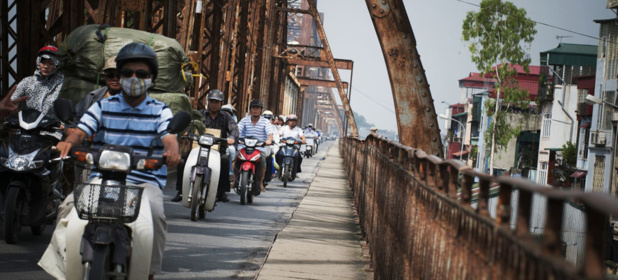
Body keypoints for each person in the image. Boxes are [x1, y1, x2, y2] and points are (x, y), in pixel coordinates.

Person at [54, 42, 180, 280]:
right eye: (127, 73)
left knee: (155, 215)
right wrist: (69, 141)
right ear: (119, 77)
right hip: (102, 178)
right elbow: (81, 131)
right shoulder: (102, 106)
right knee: (67, 208)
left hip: (143, 182)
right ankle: (65, 267)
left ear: (151, 77)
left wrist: (172, 151)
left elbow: (169, 137)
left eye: (141, 74)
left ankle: (149, 272)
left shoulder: (160, 110)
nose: (134, 78)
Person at [171, 89, 238, 203]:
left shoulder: (226, 117)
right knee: (182, 160)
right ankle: (181, 190)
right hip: (198, 148)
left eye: (216, 102)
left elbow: (234, 129)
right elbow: (190, 124)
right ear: (208, 102)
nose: (214, 104)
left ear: (221, 103)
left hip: (217, 150)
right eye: (211, 101)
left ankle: (221, 192)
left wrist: (232, 137)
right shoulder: (200, 114)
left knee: (225, 162)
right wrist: (186, 131)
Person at [11, 45, 64, 120]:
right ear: (38, 62)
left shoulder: (62, 85)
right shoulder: (27, 82)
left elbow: (69, 110)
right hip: (26, 128)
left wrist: (64, 124)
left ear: (56, 65)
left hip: (51, 129)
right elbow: (12, 102)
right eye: (43, 62)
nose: (46, 66)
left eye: (50, 63)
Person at [234, 99, 273, 192]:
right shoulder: (244, 120)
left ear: (261, 110)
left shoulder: (265, 122)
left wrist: (268, 140)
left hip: (259, 148)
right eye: (253, 108)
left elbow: (270, 134)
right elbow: (237, 130)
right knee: (234, 158)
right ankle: (234, 179)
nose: (255, 110)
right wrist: (235, 137)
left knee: (263, 160)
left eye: (257, 108)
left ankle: (260, 182)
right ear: (250, 109)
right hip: (244, 146)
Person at [276, 114, 306, 179]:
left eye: (294, 121)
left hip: (294, 147)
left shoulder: (298, 130)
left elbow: (303, 137)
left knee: (299, 157)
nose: (292, 122)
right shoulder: (283, 128)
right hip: (284, 146)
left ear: (296, 122)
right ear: (288, 121)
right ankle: (277, 169)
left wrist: (303, 140)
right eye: (291, 120)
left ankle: (296, 171)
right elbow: (278, 135)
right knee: (277, 155)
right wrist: (277, 139)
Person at [221, 104, 237, 186]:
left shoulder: (230, 120)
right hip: (209, 143)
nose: (225, 113)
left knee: (231, 150)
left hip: (224, 145)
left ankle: (230, 173)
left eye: (227, 112)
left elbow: (234, 129)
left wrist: (232, 137)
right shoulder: (204, 114)